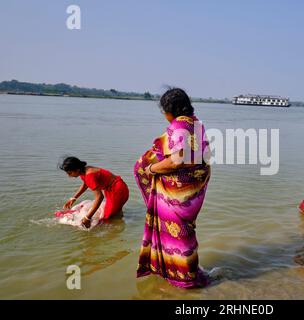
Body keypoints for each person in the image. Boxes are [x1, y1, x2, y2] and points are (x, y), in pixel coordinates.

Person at [134, 88, 211, 288]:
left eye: (164, 111)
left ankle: (185, 277)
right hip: (192, 190)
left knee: (178, 232)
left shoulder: (178, 127)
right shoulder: (196, 123)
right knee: (183, 230)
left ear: (170, 109)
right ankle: (187, 272)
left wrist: (151, 168)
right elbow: (202, 156)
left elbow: (177, 161)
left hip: (177, 191)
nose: (164, 116)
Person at [60, 157, 129, 228]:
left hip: (117, 190)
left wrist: (87, 218)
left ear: (77, 170)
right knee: (114, 212)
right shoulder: (84, 171)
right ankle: (120, 223)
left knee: (108, 217)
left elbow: (99, 197)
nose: (69, 176)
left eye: (70, 173)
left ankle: (118, 229)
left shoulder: (89, 175)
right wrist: (73, 198)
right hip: (112, 188)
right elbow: (85, 185)